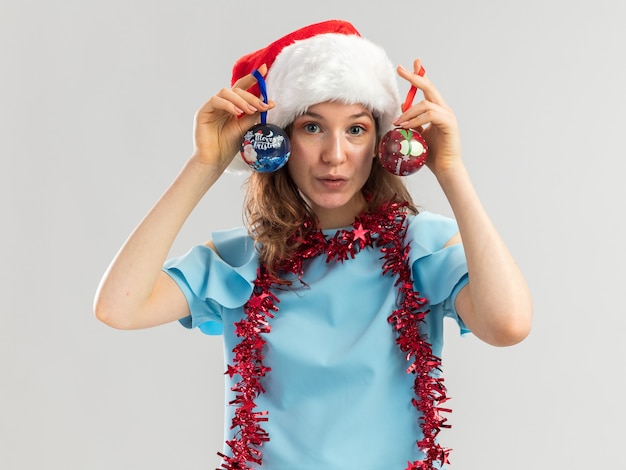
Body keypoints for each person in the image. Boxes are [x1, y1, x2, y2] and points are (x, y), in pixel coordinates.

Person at [94, 19, 532, 470]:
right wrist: (205, 163)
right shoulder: (242, 261)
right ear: (279, 140)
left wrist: (451, 169)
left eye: (357, 130)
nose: (335, 155)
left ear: (383, 140)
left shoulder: (420, 247)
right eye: (312, 127)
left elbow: (508, 325)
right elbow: (118, 308)